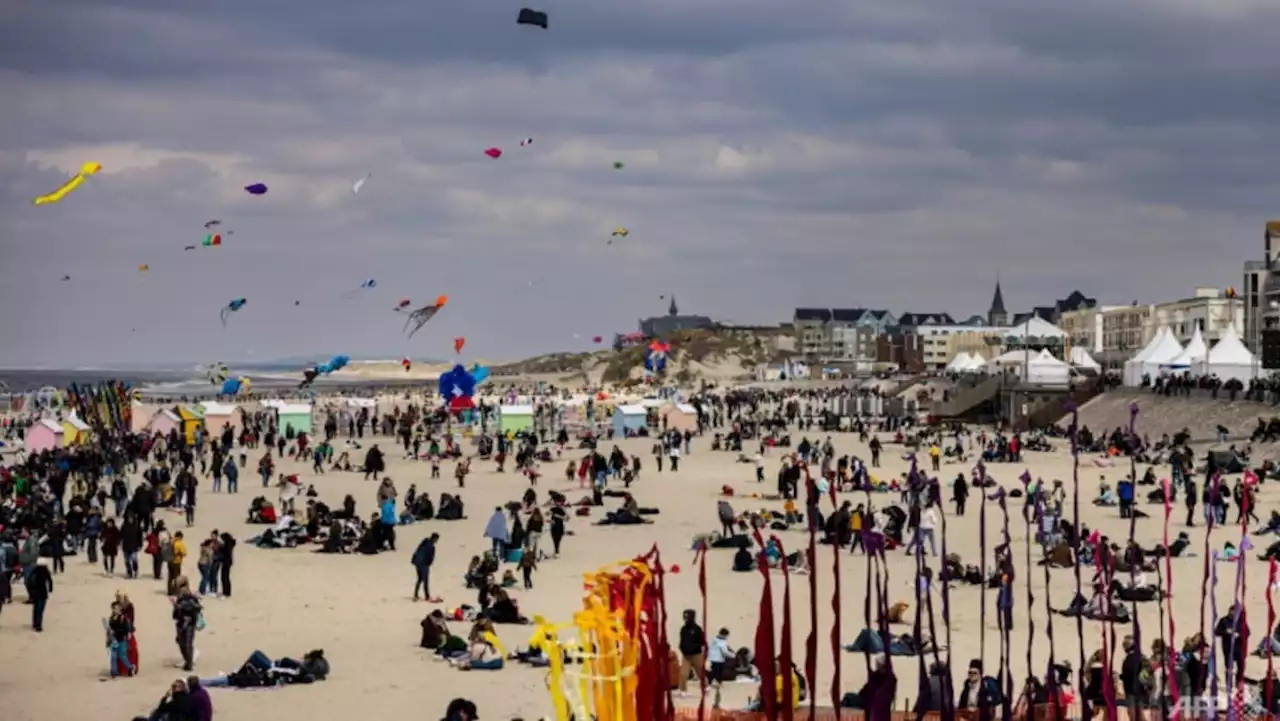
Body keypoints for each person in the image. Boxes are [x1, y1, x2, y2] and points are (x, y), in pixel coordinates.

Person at [173, 585, 203, 671]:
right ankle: (189, 662)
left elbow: (175, 615)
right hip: (190, 625)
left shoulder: (180, 601)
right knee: (188, 644)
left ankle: (188, 662)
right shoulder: (194, 601)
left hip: (182, 624)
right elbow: (198, 611)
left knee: (183, 643)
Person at [678, 609, 705, 695]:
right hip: (686, 656)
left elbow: (702, 642)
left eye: (687, 617)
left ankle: (706, 686)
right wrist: (682, 648)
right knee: (683, 673)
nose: (685, 619)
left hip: (696, 654)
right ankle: (683, 690)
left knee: (700, 672)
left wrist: (693, 647)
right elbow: (682, 640)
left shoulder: (697, 629)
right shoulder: (683, 629)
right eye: (684, 617)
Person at [25, 557, 54, 632]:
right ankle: (38, 625)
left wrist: (30, 592)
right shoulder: (45, 571)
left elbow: (28, 581)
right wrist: (50, 590)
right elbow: (50, 581)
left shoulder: (34, 571)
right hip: (42, 593)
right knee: (40, 609)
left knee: (35, 608)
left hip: (34, 593)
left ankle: (35, 623)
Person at [411, 532, 439, 602]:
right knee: (425, 580)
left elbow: (417, 551)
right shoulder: (432, 547)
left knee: (419, 579)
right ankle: (427, 596)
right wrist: (428, 564)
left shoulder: (423, 542)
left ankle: (415, 594)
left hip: (417, 563)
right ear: (435, 539)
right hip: (424, 564)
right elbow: (430, 558)